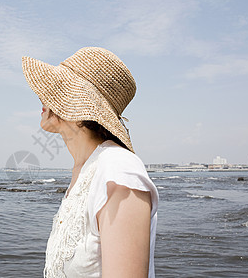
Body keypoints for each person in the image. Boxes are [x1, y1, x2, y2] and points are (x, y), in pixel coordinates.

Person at [22, 47, 158, 278]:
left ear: (79, 104)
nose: (41, 96)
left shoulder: (119, 171)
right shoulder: (84, 170)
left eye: (57, 90)